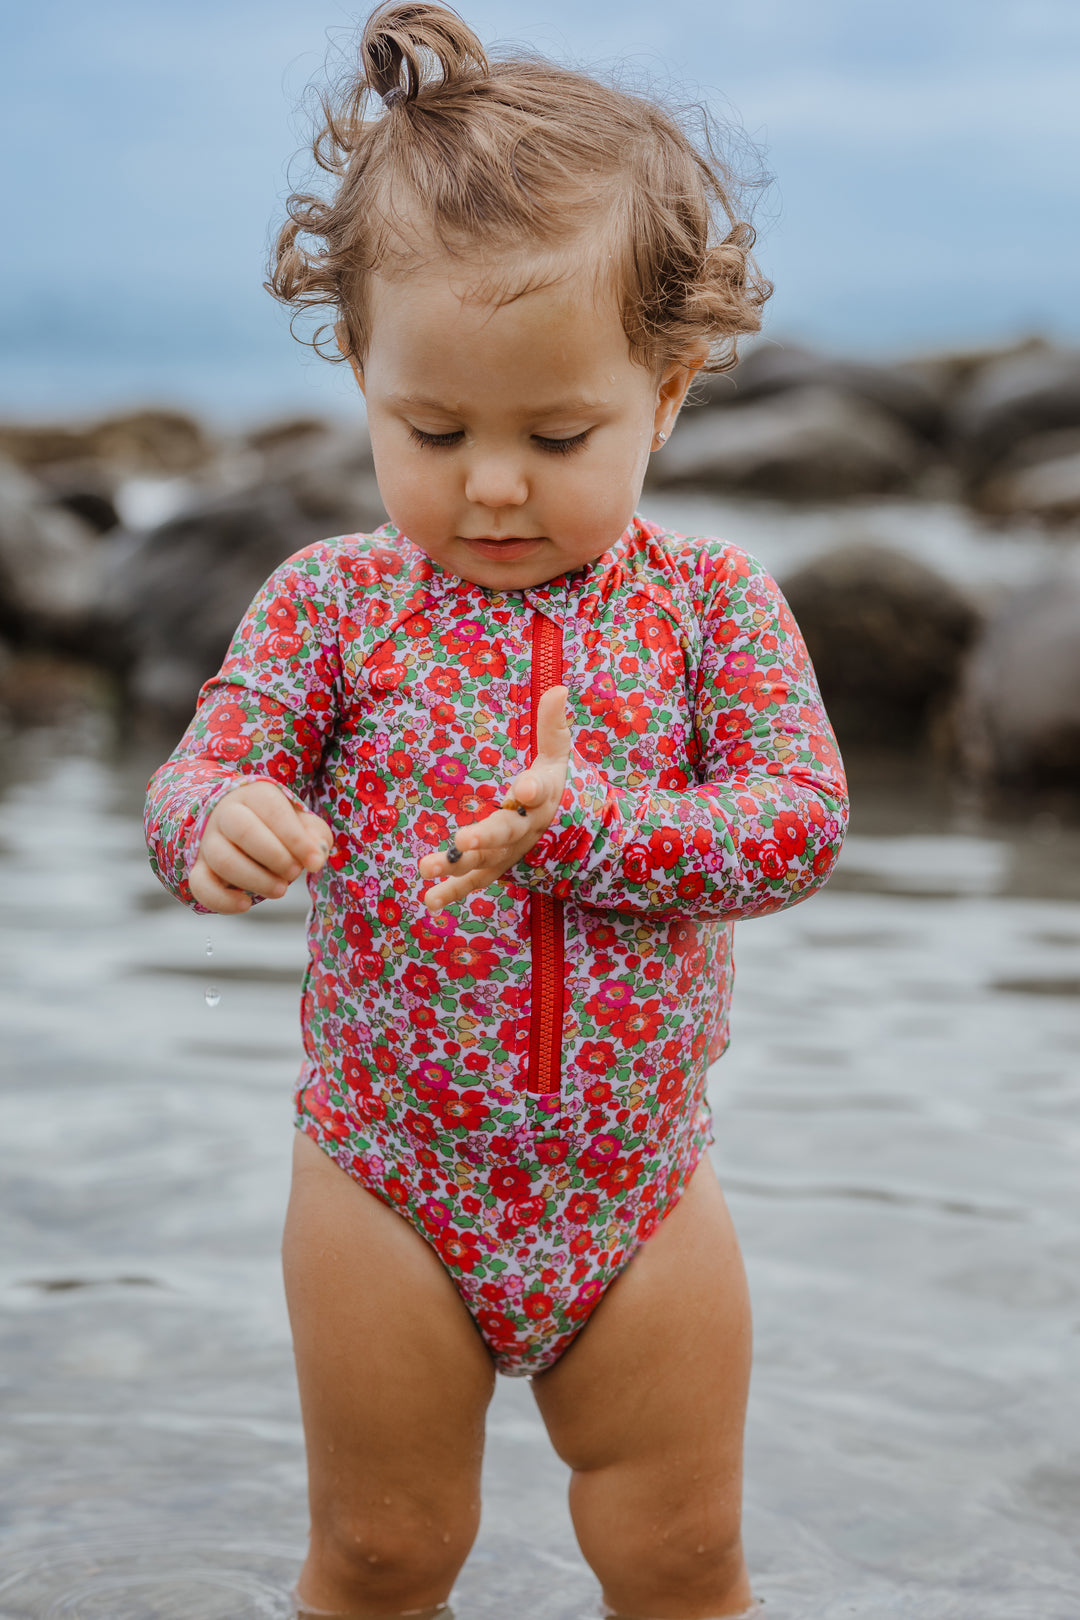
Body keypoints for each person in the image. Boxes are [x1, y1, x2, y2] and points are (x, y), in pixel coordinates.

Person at [145, 5, 848, 1616]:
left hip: (641, 1185)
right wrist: (221, 824)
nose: (492, 488)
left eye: (559, 434)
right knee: (384, 1554)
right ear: (366, 382)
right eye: (432, 430)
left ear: (665, 397)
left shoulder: (711, 608)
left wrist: (597, 826)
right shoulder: (331, 607)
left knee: (680, 1556)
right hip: (386, 1171)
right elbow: (200, 769)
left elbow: (800, 821)